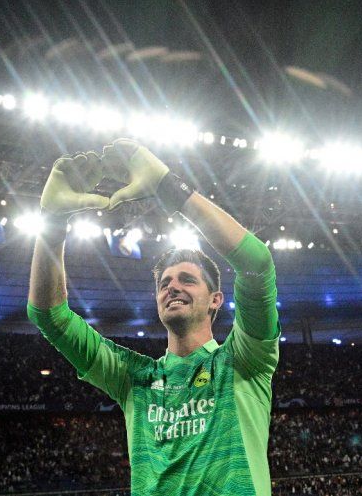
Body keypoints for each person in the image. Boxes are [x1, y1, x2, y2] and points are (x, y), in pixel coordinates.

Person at [27, 139, 280, 495]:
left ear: (215, 300)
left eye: (187, 280)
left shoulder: (243, 360)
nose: (173, 287)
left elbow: (257, 264)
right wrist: (52, 223)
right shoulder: (134, 379)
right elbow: (48, 316)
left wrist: (168, 187)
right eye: (165, 283)